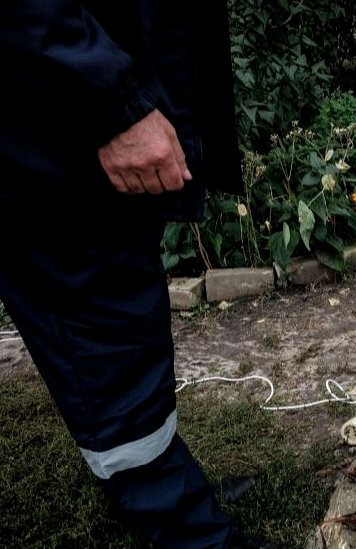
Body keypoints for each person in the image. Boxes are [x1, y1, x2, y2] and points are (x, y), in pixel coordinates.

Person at [0, 2, 265, 547]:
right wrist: (110, 103)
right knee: (105, 338)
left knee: (123, 322)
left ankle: (163, 486)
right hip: (54, 132)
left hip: (79, 114)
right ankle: (183, 526)